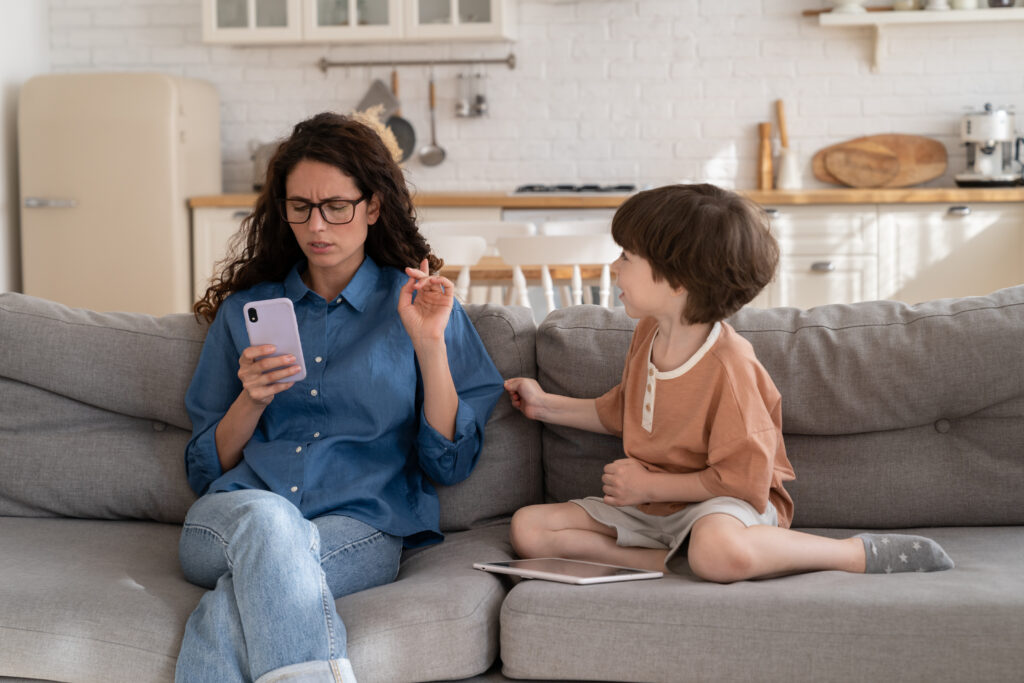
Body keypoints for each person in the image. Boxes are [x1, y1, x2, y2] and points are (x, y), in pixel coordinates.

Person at [178, 112, 505, 683]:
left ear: (372, 207)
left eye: (336, 206)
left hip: (363, 524)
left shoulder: (423, 307)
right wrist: (251, 400)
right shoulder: (243, 315)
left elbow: (450, 462)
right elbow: (206, 468)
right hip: (233, 517)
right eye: (300, 206)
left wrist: (429, 346)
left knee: (230, 608)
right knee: (269, 522)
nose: (316, 224)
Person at [504, 183, 953, 584]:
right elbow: (626, 411)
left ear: (677, 279)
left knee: (718, 548)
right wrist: (544, 406)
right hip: (652, 509)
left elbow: (744, 481)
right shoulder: (648, 333)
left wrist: (650, 487)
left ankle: (851, 553)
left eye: (626, 256)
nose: (614, 266)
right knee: (530, 528)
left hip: (722, 505)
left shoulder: (730, 366)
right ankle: (672, 563)